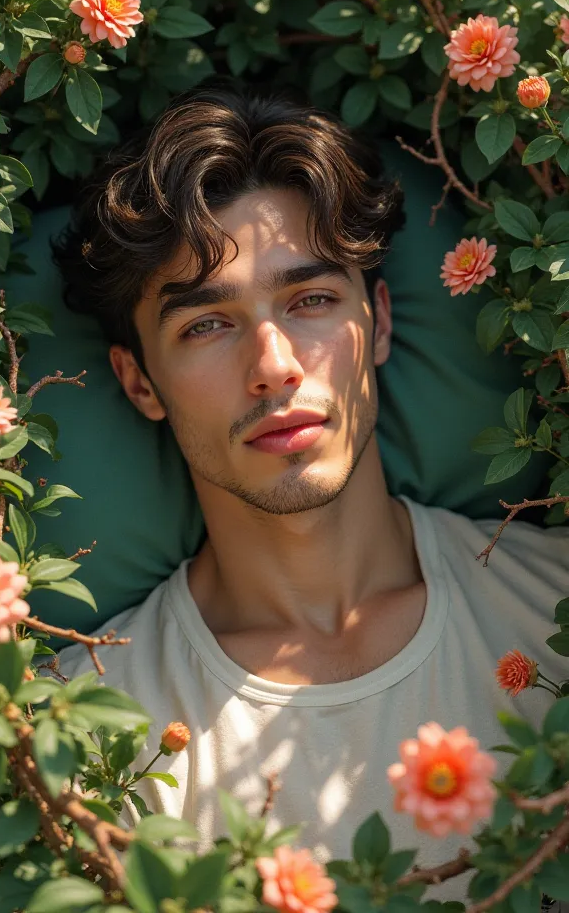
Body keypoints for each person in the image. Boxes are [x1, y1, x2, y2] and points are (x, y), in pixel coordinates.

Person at [54, 80, 567, 896]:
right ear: (140, 381)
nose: (273, 366)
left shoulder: (555, 612)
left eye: (313, 300)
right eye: (206, 325)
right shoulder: (87, 733)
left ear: (382, 323)